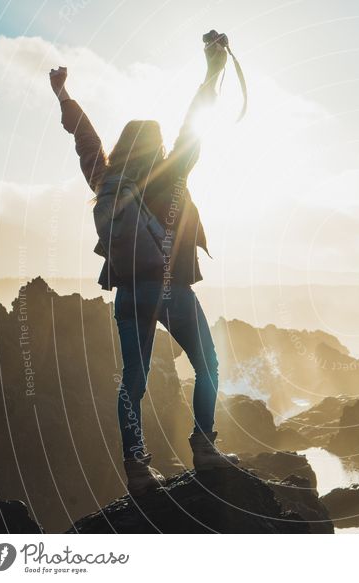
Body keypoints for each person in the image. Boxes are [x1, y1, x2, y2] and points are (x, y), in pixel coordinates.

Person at [50, 34, 239, 496]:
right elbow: (194, 124)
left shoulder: (106, 176)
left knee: (133, 379)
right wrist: (213, 71)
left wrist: (62, 95)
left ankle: (136, 467)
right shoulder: (169, 172)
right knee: (208, 365)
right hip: (171, 289)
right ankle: (203, 445)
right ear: (155, 147)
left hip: (129, 291)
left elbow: (84, 140)